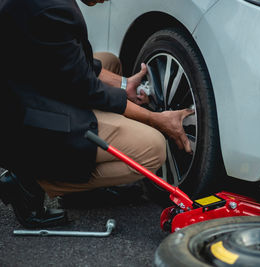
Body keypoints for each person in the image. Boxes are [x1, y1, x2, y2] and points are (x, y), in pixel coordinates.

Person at [0, 0, 193, 228]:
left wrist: (124, 84)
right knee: (153, 148)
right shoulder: (51, 10)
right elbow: (86, 89)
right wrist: (156, 119)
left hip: (24, 90)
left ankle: (80, 186)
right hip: (24, 123)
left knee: (111, 63)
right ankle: (31, 181)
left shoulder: (49, 7)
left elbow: (66, 61)